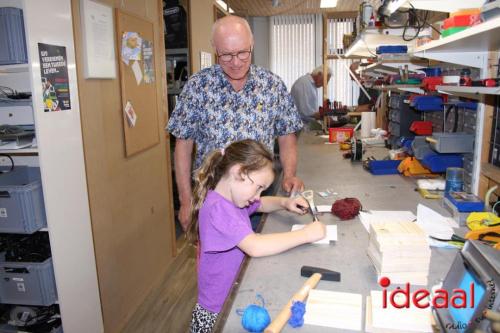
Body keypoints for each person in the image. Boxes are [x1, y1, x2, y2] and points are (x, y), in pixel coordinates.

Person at [167, 15, 304, 231]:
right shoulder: (197, 87)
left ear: (252, 45)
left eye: (242, 52)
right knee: (219, 262)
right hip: (211, 201)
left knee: (258, 261)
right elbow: (183, 148)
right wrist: (185, 200)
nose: (236, 62)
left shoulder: (272, 85)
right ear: (215, 49)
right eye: (227, 55)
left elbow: (287, 136)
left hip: (259, 199)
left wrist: (289, 175)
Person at [187, 139, 326, 333]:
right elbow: (255, 246)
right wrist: (306, 234)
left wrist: (284, 203)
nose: (258, 196)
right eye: (259, 187)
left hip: (229, 297)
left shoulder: (232, 199)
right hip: (216, 313)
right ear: (238, 172)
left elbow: (260, 204)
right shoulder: (217, 209)